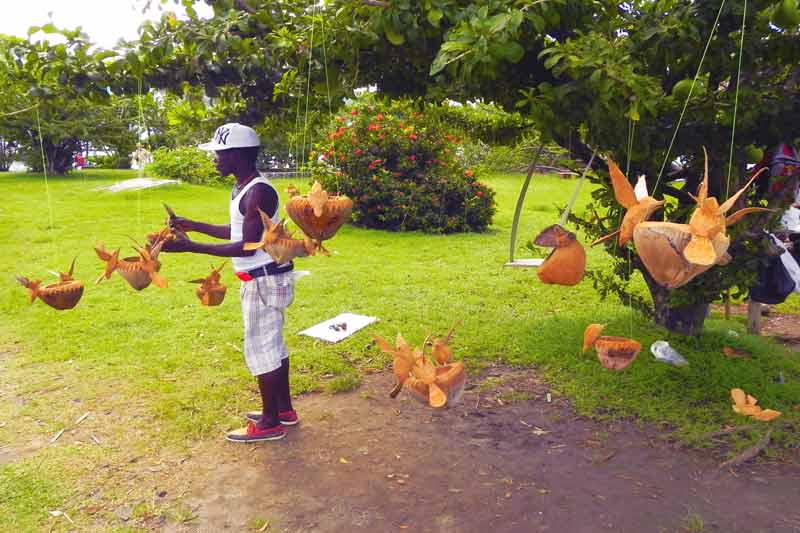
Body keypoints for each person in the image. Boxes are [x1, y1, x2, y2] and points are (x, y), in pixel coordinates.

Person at [162, 123, 298, 443]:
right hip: (264, 278)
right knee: (272, 344)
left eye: (220, 154)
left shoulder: (259, 191)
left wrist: (190, 246)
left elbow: (246, 246)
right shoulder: (243, 186)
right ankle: (283, 410)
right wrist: (193, 225)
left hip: (263, 280)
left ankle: (269, 423)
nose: (216, 159)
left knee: (261, 347)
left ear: (237, 154)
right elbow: (240, 231)